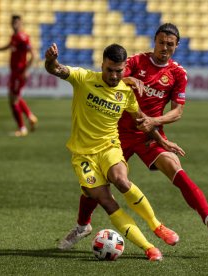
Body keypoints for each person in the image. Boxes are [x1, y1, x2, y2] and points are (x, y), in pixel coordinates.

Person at [59, 23, 208, 250]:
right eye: (161, 42)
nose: (164, 48)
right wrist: (128, 80)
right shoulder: (137, 61)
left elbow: (177, 111)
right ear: (154, 41)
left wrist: (154, 123)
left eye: (170, 44)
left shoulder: (178, 74)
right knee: (95, 185)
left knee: (174, 167)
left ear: (177, 45)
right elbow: (114, 77)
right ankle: (82, 225)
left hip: (149, 133)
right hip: (116, 134)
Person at [45, 42, 183, 261]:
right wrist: (51, 61)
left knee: (121, 180)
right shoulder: (84, 78)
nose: (114, 75)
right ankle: (149, 248)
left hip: (109, 147)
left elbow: (141, 121)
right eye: (109, 70)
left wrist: (163, 142)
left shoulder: (126, 92)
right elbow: (56, 69)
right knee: (108, 202)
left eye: (119, 71)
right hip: (83, 156)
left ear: (124, 67)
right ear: (102, 65)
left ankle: (158, 226)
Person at [0, 15, 37, 137]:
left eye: (17, 23)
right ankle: (30, 116)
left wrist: (25, 71)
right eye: (13, 23)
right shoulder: (14, 37)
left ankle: (22, 128)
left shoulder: (23, 38)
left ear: (21, 23)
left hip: (19, 72)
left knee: (14, 100)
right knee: (13, 97)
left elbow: (33, 55)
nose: (14, 25)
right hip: (14, 72)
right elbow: (7, 47)